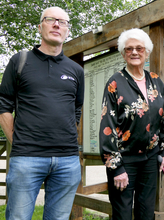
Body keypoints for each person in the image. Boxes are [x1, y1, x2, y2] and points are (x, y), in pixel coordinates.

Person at [0, 6, 84, 219]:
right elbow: (4, 105)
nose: (57, 24)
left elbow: (76, 108)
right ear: (40, 27)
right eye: (51, 20)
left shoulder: (76, 70)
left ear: (67, 30)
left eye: (62, 22)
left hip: (67, 161)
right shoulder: (20, 61)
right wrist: (17, 141)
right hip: (27, 158)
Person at [99, 28, 164, 220]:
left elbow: (163, 119)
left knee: (146, 213)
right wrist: (116, 167)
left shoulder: (156, 81)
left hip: (150, 159)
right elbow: (108, 126)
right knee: (122, 214)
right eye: (129, 49)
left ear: (147, 52)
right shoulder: (115, 83)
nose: (134, 52)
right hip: (124, 160)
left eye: (139, 48)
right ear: (123, 53)